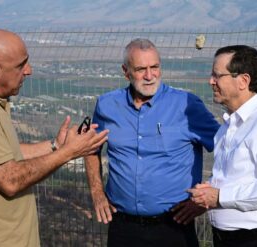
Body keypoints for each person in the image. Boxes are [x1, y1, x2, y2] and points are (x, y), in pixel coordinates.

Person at [0, 29, 109, 247]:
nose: (29, 70)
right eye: (21, 65)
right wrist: (69, 153)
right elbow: (10, 180)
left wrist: (55, 146)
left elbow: (3, 155)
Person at [85, 38, 220, 247]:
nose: (149, 76)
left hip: (174, 227)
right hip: (122, 227)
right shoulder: (107, 105)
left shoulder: (186, 105)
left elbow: (228, 150)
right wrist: (96, 192)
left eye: (154, 67)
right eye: (141, 69)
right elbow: (90, 148)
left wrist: (207, 198)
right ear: (126, 71)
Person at [188, 45, 257, 247]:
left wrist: (219, 197)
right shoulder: (228, 126)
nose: (211, 81)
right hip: (226, 238)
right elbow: (237, 176)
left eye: (217, 75)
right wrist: (208, 192)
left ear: (243, 81)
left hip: (255, 239)